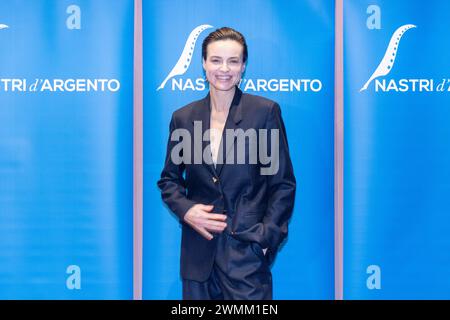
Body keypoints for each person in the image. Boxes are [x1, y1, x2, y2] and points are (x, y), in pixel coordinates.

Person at [157, 27, 296, 300]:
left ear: (243, 66)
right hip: (198, 256)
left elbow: (281, 184)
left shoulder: (264, 113)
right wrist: (187, 211)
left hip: (247, 257)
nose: (224, 69)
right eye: (216, 60)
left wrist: (266, 239)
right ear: (203, 64)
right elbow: (169, 180)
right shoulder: (184, 118)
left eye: (233, 61)